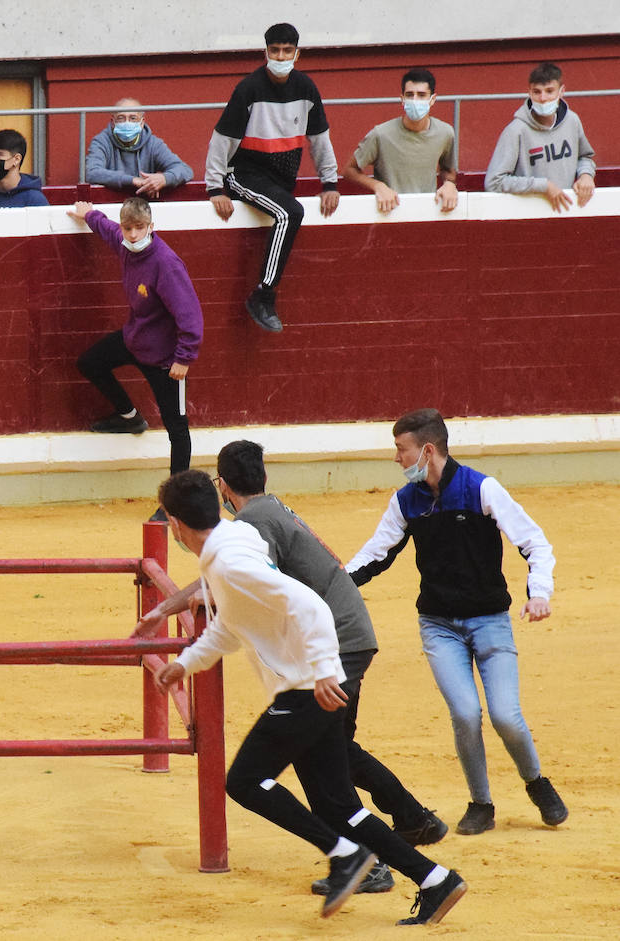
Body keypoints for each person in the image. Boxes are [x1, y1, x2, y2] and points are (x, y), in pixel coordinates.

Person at [153, 470, 467, 926]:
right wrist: (187, 662)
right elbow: (230, 624)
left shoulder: (229, 563)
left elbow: (310, 606)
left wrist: (322, 670)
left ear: (176, 525)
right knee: (340, 805)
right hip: (307, 683)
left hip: (305, 688)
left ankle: (343, 855)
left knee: (244, 782)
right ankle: (436, 880)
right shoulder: (232, 546)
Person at [347, 408, 568, 836]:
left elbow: (534, 542)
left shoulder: (481, 489)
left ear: (426, 451)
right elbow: (374, 555)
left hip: (490, 621)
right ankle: (481, 803)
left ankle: (536, 783)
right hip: (438, 625)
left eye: (401, 449)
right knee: (465, 714)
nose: (396, 459)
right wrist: (333, 584)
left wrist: (539, 592)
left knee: (506, 715)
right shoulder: (405, 501)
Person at [203, 22, 339, 334]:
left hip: (280, 181)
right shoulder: (248, 89)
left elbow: (320, 139)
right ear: (266, 52)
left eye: (286, 51)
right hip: (244, 175)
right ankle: (263, 295)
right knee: (290, 212)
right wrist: (215, 188)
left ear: (297, 54)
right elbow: (221, 141)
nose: (280, 56)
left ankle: (263, 294)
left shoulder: (306, 89)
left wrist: (329, 183)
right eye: (275, 51)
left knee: (288, 208)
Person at [65, 197, 202, 475]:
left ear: (151, 226)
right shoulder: (125, 244)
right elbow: (106, 228)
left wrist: (184, 357)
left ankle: (177, 501)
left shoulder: (166, 263)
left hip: (165, 360)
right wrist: (89, 213)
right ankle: (129, 417)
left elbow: (190, 315)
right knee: (90, 362)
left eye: (139, 227)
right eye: (128, 228)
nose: (133, 234)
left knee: (176, 427)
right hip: (135, 340)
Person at [342, 68, 458, 214]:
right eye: (410, 95)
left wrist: (449, 184)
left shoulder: (445, 133)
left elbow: (448, 170)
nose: (415, 100)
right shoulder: (381, 134)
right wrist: (378, 186)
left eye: (422, 95)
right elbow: (349, 170)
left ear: (432, 99)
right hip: (389, 212)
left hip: (428, 212)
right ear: (402, 99)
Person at [485, 62, 596, 212]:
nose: (543, 98)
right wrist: (543, 186)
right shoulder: (516, 130)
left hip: (567, 211)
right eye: (537, 92)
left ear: (561, 91)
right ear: (529, 93)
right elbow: (493, 182)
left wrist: (586, 175)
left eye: (549, 91)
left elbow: (585, 157)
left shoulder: (572, 121)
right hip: (527, 213)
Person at [84, 98, 194, 197]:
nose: (127, 123)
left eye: (133, 118)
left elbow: (185, 170)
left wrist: (163, 179)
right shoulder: (101, 142)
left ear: (142, 123)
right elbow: (92, 173)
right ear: (113, 122)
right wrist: (133, 180)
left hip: (144, 207)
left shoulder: (153, 143)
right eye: (121, 118)